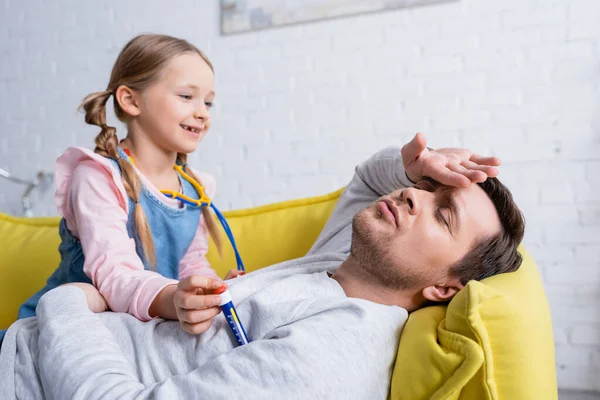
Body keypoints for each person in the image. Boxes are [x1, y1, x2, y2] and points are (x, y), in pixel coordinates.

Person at [0, 133, 525, 400]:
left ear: (443, 287)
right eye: (425, 188)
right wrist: (418, 163)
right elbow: (370, 179)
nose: (412, 195)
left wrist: (66, 301)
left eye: (443, 214)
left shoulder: (334, 354)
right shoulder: (339, 265)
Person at [0, 34, 243, 344]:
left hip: (139, 328)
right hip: (68, 331)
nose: (203, 112)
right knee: (88, 296)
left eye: (208, 102)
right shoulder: (96, 176)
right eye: (186, 96)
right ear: (130, 100)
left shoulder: (197, 187)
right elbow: (115, 276)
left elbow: (190, 263)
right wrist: (172, 299)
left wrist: (209, 291)